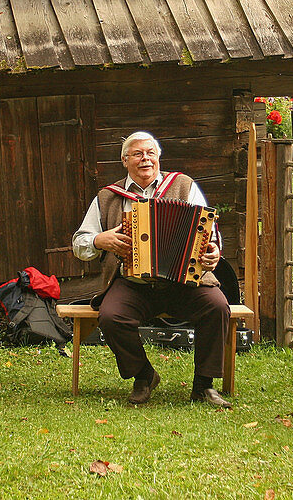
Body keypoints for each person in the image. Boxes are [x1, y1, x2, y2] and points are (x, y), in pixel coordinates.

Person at [72, 131, 232, 408]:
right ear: (125, 161)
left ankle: (204, 385)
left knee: (217, 307)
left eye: (150, 153)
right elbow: (80, 243)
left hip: (183, 281)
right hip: (132, 282)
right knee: (111, 316)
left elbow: (210, 231)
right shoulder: (108, 197)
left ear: (158, 157)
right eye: (137, 154)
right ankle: (144, 375)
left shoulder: (183, 185)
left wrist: (214, 251)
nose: (145, 159)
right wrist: (101, 239)